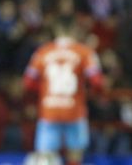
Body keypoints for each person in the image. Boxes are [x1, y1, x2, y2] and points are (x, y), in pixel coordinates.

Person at [22, 19, 104, 165]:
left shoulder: (42, 52)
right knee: (75, 154)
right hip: (74, 110)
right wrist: (91, 92)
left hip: (49, 109)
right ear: (74, 30)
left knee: (46, 156)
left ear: (56, 30)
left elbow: (28, 82)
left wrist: (44, 90)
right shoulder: (84, 52)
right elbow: (97, 82)